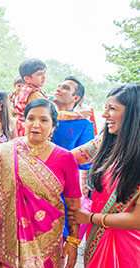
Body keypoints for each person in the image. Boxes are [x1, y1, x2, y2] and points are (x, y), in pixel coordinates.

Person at [0, 98, 81, 268]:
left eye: (43, 120)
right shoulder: (4, 153)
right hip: (10, 240)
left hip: (49, 241)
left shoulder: (66, 158)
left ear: (53, 126)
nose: (36, 125)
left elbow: (73, 204)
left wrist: (73, 241)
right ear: (24, 121)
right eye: (31, 119)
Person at [69, 84, 140, 268]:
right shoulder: (107, 140)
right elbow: (69, 158)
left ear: (133, 113)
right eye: (106, 107)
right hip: (98, 240)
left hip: (128, 248)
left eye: (112, 109)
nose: (104, 114)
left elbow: (137, 219)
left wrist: (90, 218)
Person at [14, 58, 47, 136]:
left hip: (20, 129)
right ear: (27, 79)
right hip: (31, 132)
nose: (44, 77)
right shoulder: (35, 94)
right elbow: (47, 114)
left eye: (44, 73)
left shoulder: (23, 91)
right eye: (39, 74)